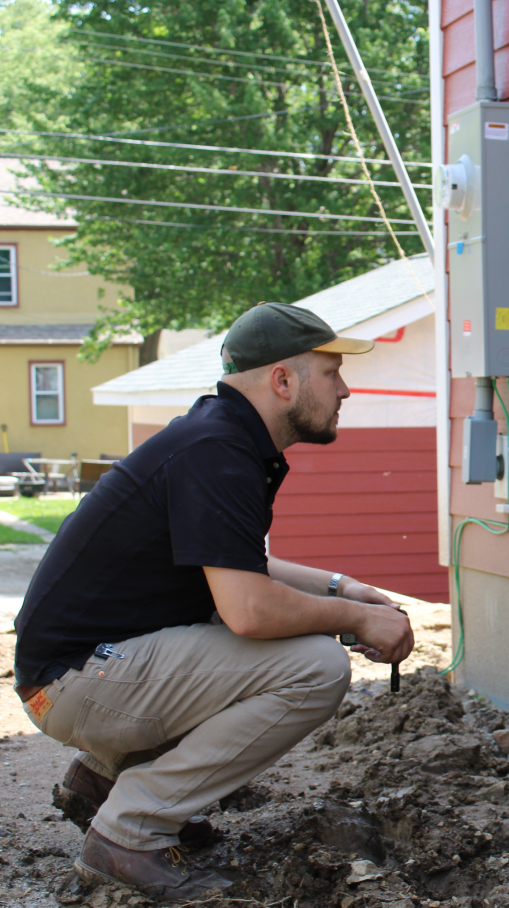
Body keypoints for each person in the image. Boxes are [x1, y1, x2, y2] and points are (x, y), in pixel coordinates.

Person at [11, 302, 416, 899]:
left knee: (278, 642)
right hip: (77, 682)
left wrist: (341, 589)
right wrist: (357, 619)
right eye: (331, 373)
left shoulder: (215, 438)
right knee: (314, 667)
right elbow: (250, 610)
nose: (345, 389)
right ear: (282, 380)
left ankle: (102, 782)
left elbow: (229, 562)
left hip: (82, 671)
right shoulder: (217, 452)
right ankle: (129, 831)